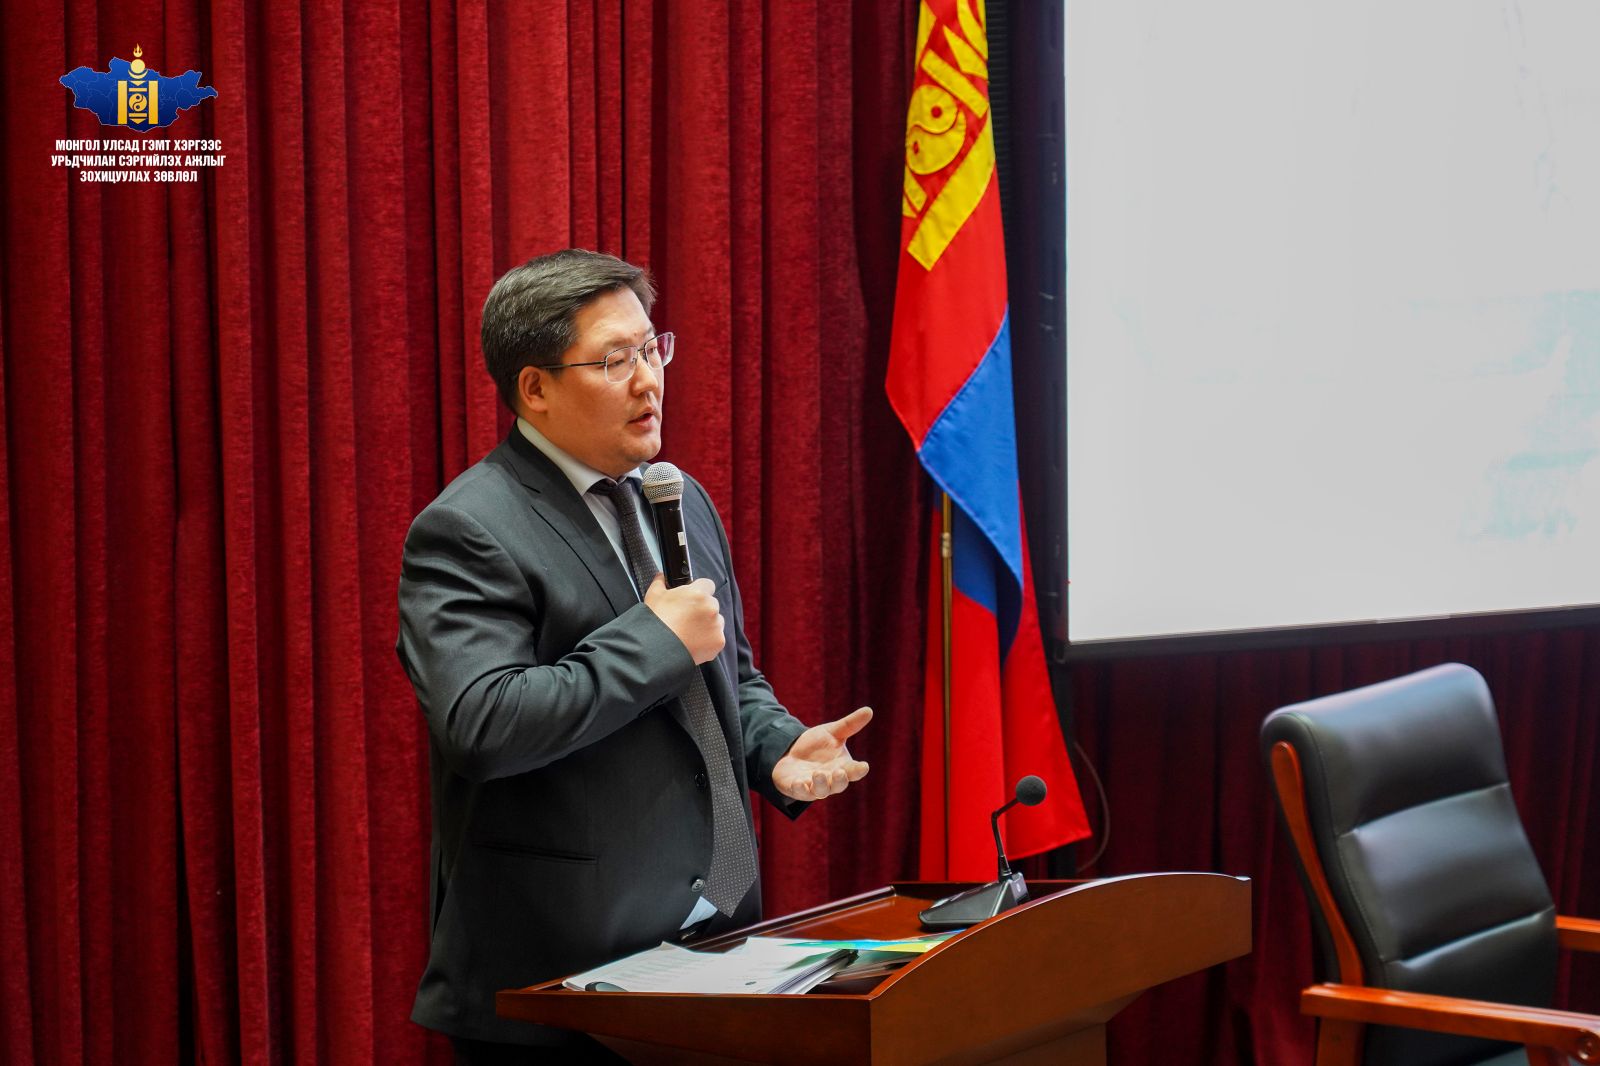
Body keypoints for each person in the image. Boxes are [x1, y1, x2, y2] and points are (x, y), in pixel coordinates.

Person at [396, 248, 872, 1063]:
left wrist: (777, 746)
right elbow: (483, 723)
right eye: (615, 360)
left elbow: (725, 675)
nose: (649, 380)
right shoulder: (469, 528)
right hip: (559, 986)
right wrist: (655, 639)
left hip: (712, 951)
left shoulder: (675, 498)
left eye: (653, 349)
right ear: (534, 388)